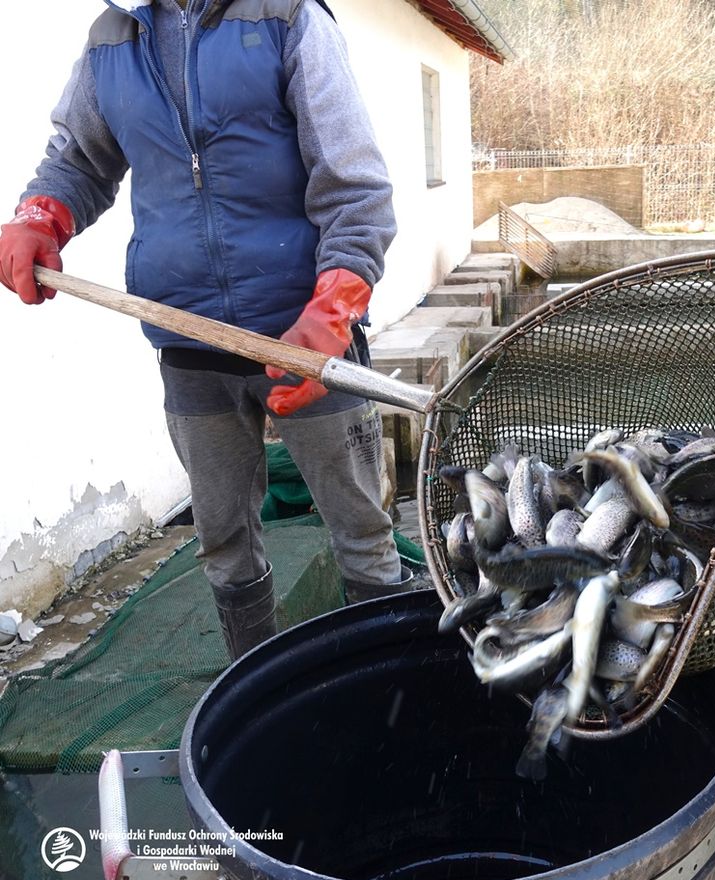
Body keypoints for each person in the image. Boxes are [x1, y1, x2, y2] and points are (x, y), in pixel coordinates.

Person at [0, 0, 410, 661]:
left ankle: (393, 680)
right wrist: (41, 216)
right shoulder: (112, 37)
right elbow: (78, 158)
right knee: (223, 543)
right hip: (187, 340)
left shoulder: (287, 17)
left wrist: (334, 307)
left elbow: (353, 185)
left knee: (360, 529)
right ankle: (252, 682)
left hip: (307, 338)